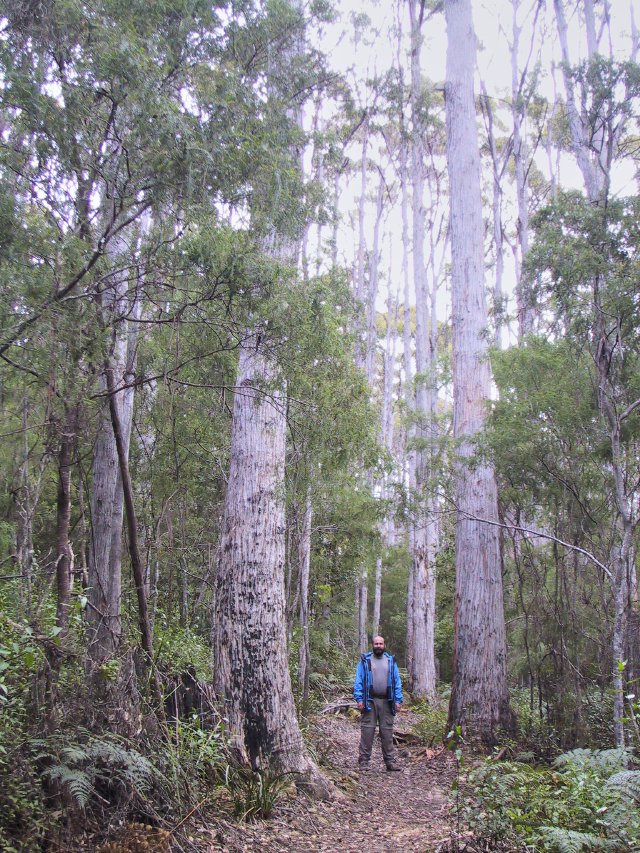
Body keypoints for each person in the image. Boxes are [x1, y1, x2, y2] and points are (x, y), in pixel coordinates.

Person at [353, 635, 403, 771]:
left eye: (381, 643)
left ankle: (390, 762)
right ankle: (364, 761)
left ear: (384, 645)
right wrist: (358, 699)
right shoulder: (365, 661)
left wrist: (398, 700)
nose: (378, 646)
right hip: (369, 700)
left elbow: (397, 681)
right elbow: (358, 680)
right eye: (376, 644)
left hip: (388, 701)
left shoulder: (390, 661)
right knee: (367, 731)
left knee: (387, 732)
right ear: (372, 645)